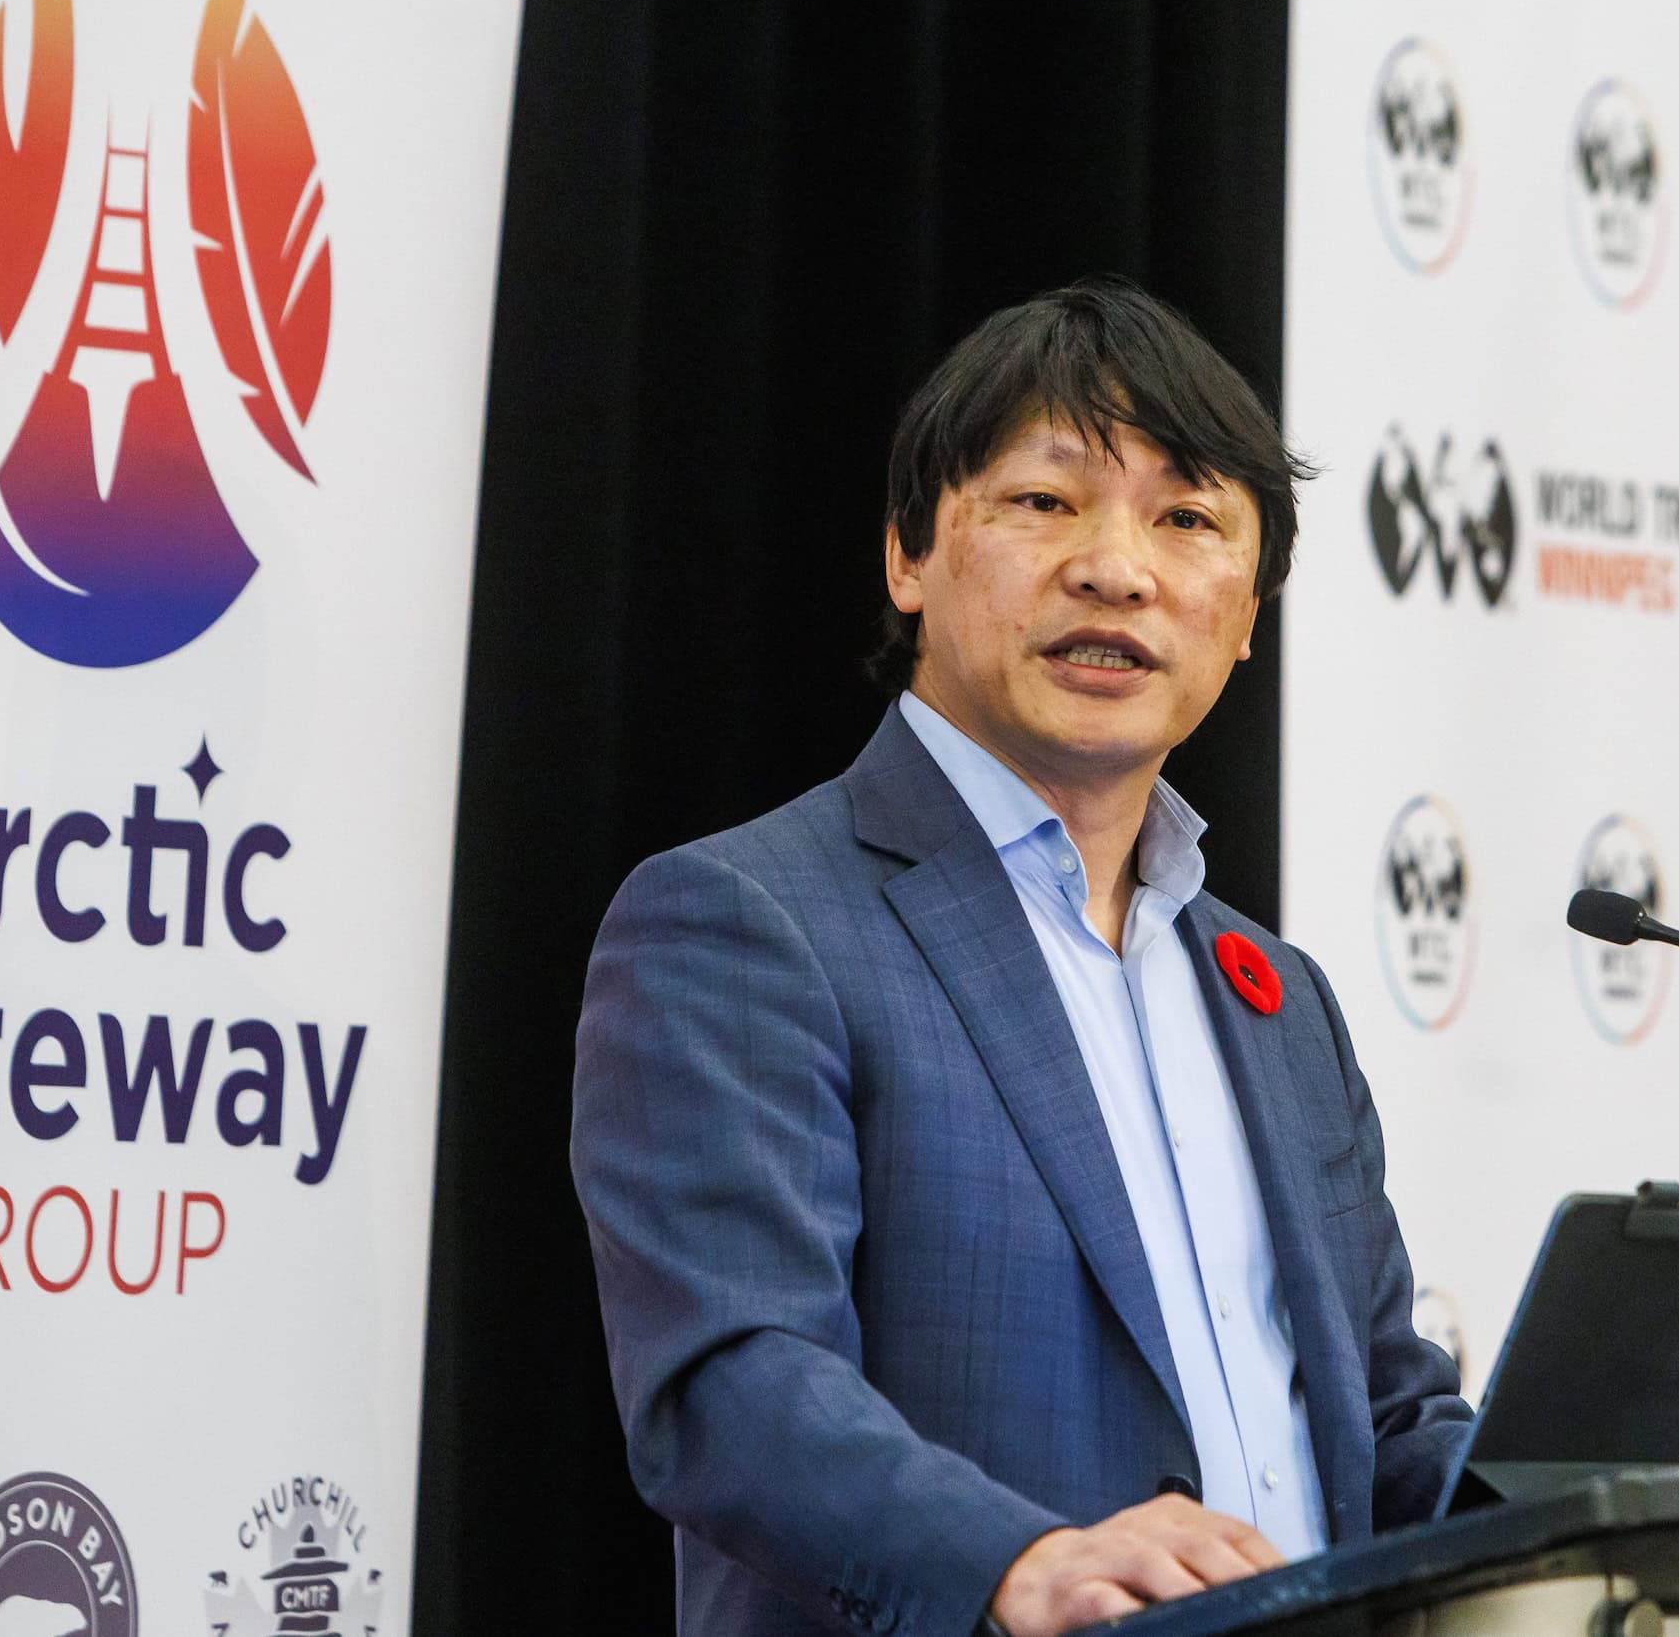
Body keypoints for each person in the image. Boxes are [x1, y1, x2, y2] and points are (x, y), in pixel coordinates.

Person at [572, 278, 1470, 1637]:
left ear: (1246, 611)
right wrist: (1014, 1562)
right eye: (1043, 503)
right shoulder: (743, 922)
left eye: (1186, 520)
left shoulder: (1277, 1003)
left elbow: (1384, 1424)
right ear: (907, 556)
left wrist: (1652, 1502)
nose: (1116, 567)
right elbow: (731, 1381)